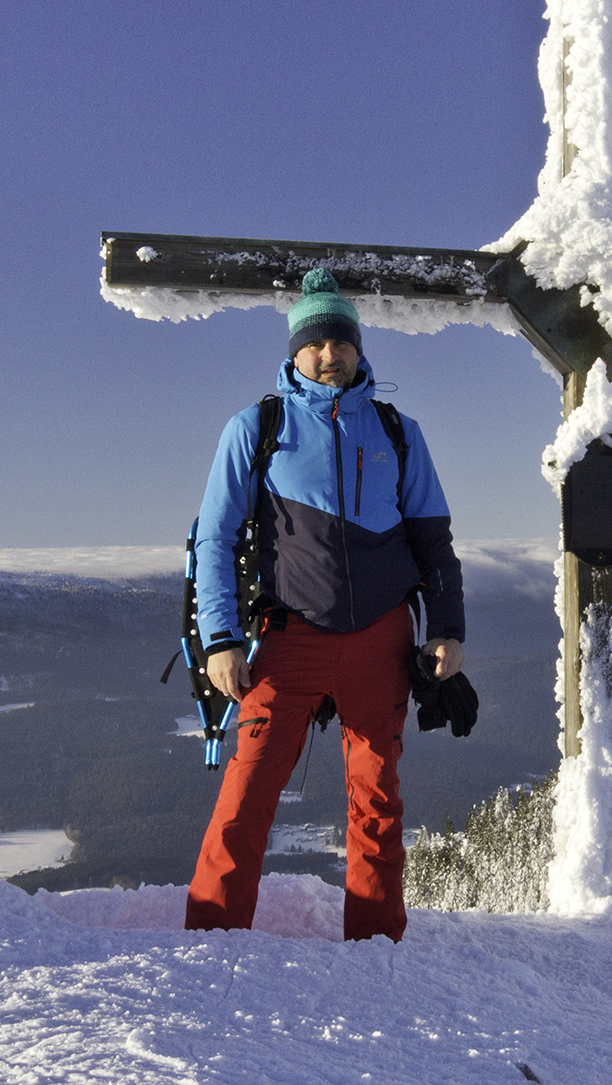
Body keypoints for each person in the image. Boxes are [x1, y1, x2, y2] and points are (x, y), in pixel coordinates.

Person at [184, 268, 464, 942]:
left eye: (341, 341)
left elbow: (434, 541)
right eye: (315, 343)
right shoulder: (257, 426)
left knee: (377, 802)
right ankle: (210, 942)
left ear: (360, 348)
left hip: (381, 638)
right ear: (294, 351)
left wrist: (448, 629)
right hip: (289, 635)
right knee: (246, 796)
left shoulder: (399, 432)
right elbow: (214, 539)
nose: (329, 354)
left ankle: (376, 946)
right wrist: (219, 638)